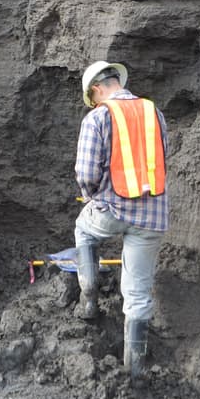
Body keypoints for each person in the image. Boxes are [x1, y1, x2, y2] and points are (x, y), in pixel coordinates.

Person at [73, 60, 169, 378]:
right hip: (152, 216)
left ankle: (89, 300)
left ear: (97, 90)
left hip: (111, 210)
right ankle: (135, 370)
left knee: (84, 231)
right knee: (138, 294)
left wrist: (91, 196)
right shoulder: (154, 113)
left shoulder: (98, 117)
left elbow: (86, 174)